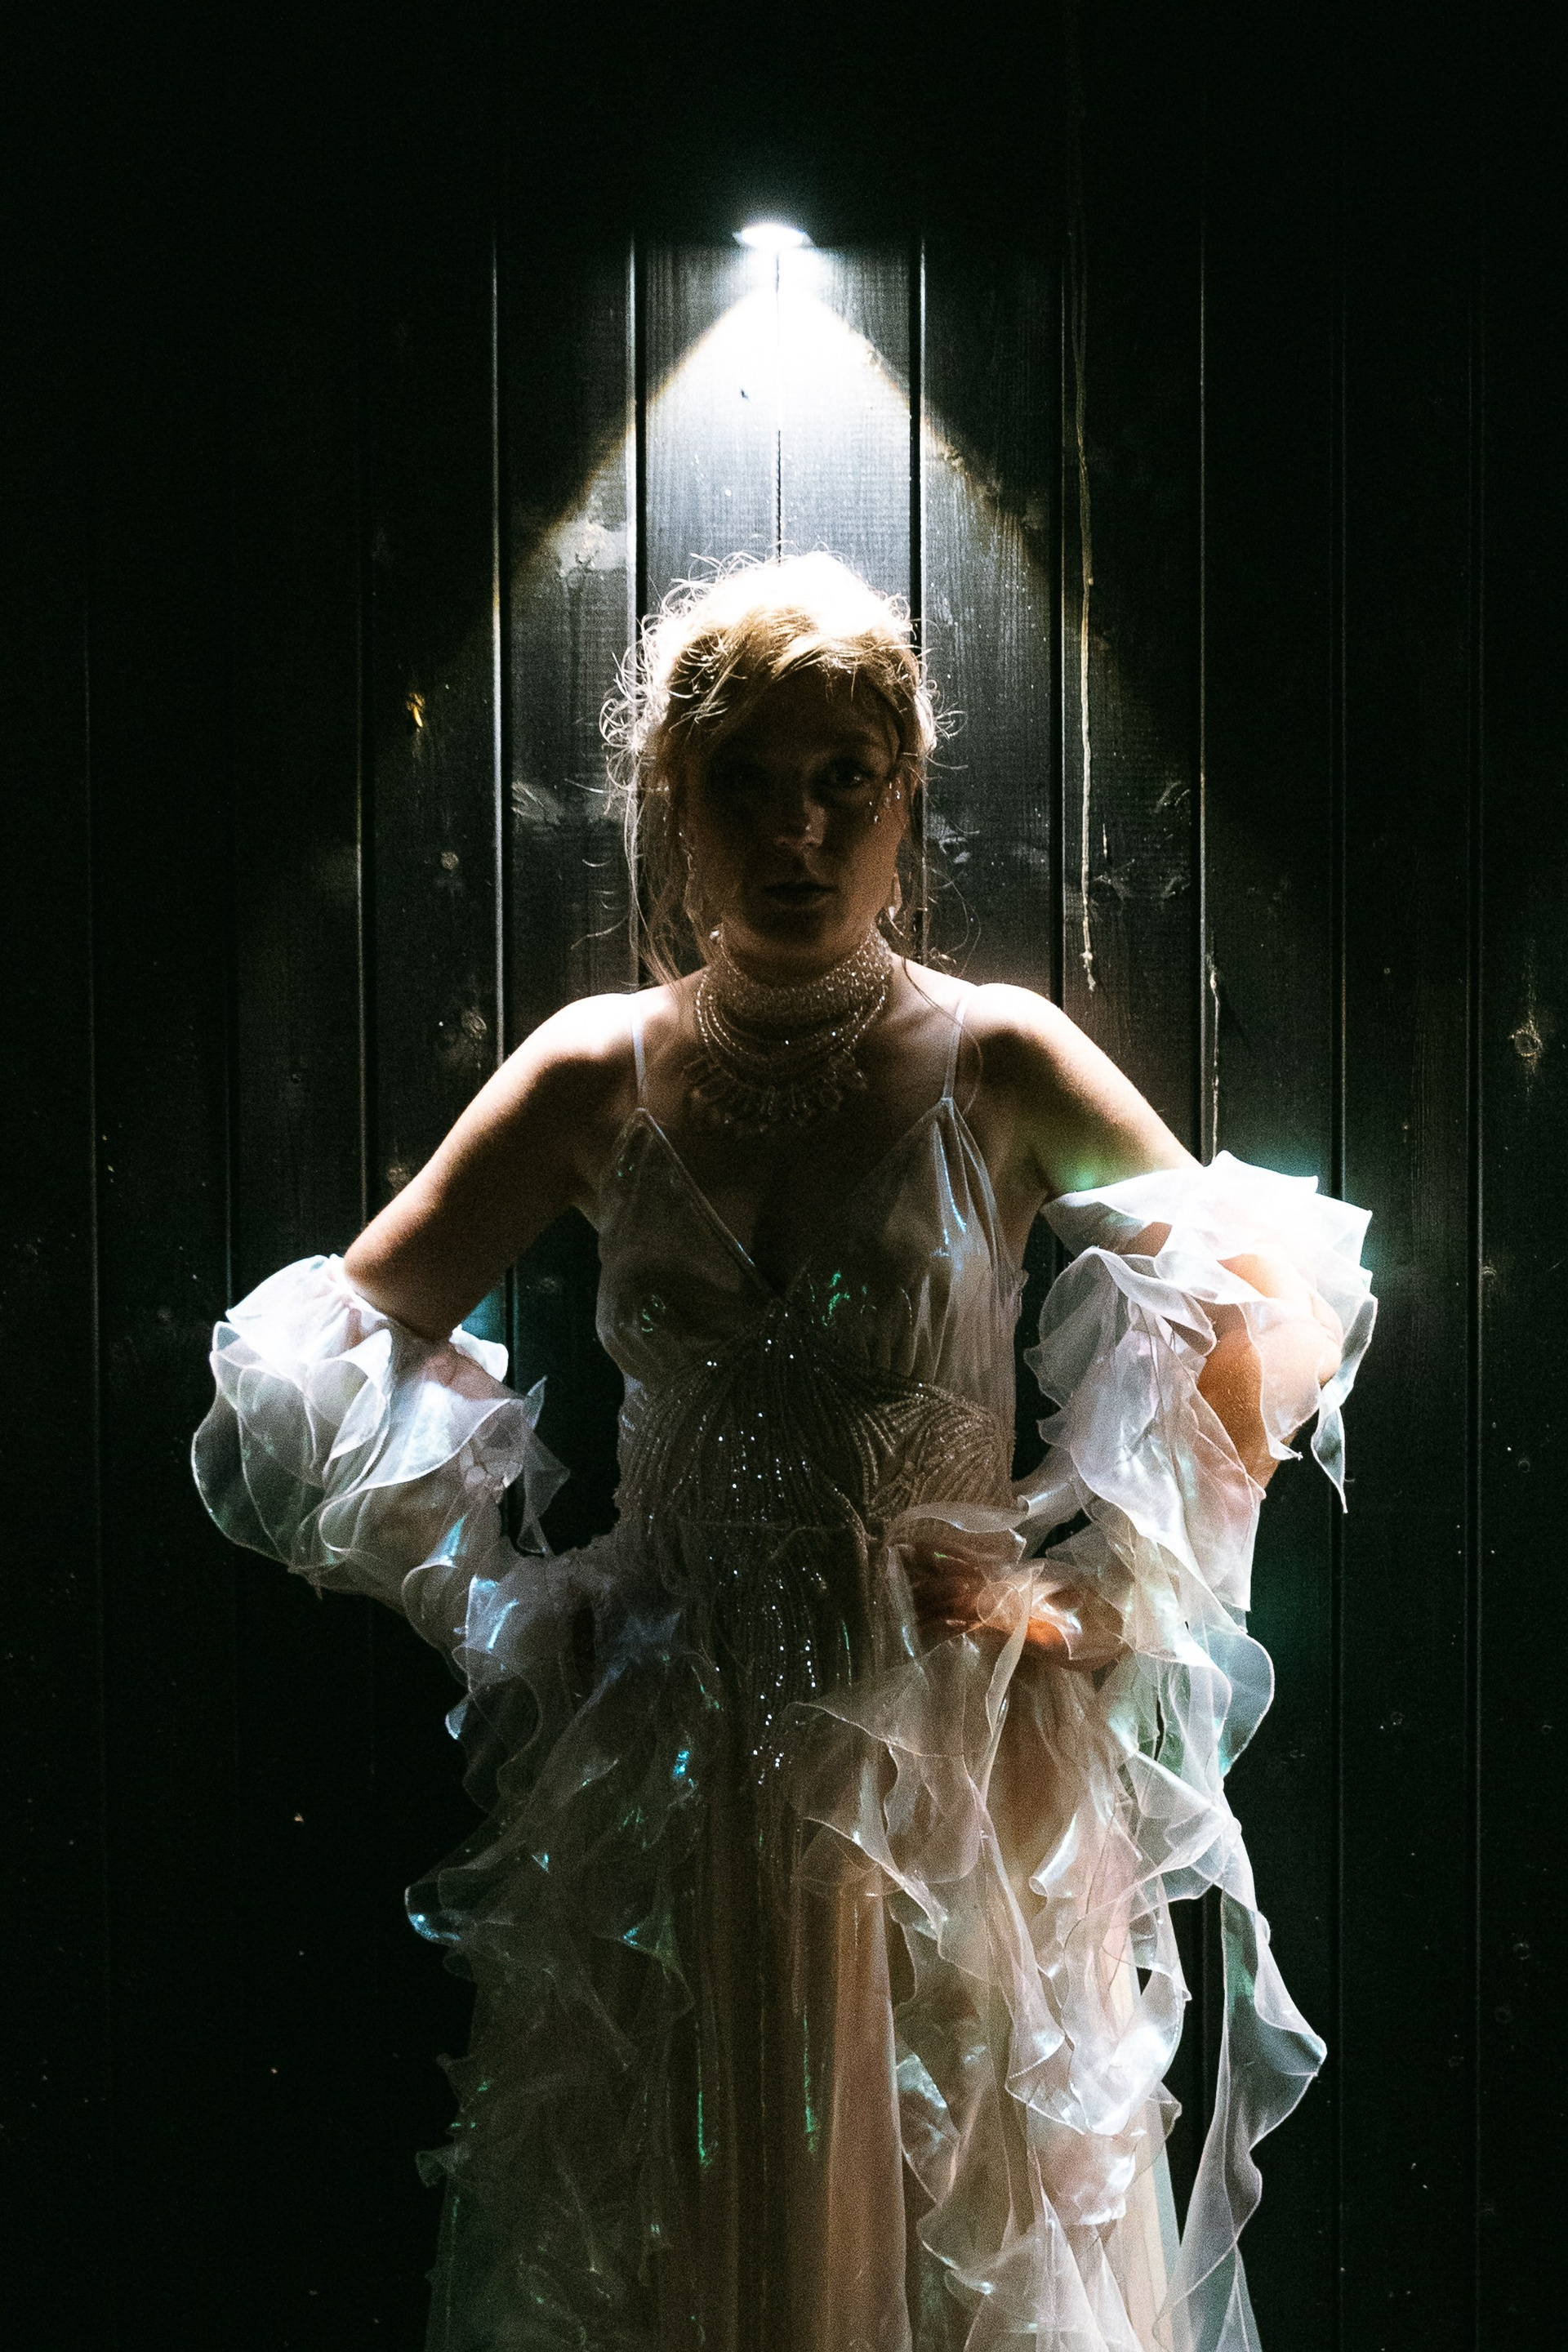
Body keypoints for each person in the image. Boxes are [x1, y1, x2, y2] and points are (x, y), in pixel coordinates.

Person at [194, 554, 1375, 2352]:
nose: (796, 830)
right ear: (672, 804)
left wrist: (1091, 1593)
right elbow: (309, 1372)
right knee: (687, 2229)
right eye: (743, 782)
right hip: (673, 1752)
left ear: (902, 802)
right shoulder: (597, 1072)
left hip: (948, 1754)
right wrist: (508, 1605)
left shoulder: (994, 1057)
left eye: (842, 781)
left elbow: (1271, 1322)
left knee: (957, 2220)